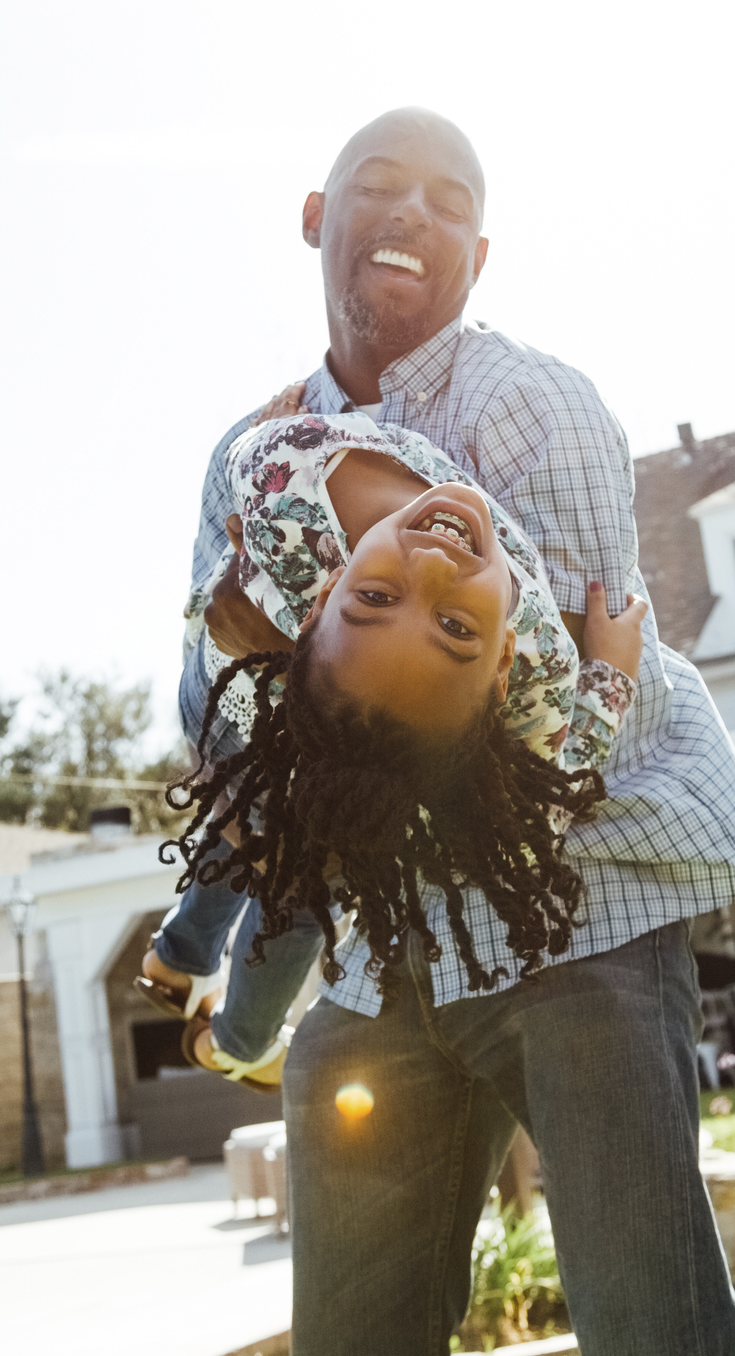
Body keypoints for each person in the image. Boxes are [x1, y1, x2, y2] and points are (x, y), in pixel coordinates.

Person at [182, 108, 735, 1354]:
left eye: (451, 200)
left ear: (479, 253)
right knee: (356, 1333)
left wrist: (295, 659)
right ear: (317, 217)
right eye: (380, 185)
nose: (414, 212)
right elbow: (211, 719)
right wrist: (251, 659)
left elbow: (564, 738)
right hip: (378, 948)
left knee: (650, 1323)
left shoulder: (536, 410)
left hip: (579, 916)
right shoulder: (254, 454)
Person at [138, 387, 646, 1089]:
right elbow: (540, 820)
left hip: (280, 692)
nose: (436, 562)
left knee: (279, 845)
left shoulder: (281, 472)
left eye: (378, 598)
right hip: (246, 703)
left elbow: (536, 822)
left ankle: (195, 983)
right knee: (283, 857)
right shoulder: (541, 666)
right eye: (454, 628)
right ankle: (233, 1031)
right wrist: (611, 675)